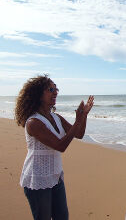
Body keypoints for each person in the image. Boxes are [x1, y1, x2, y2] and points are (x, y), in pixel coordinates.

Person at [15, 75, 94, 220]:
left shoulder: (56, 117)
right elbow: (60, 146)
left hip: (56, 177)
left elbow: (79, 134)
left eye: (56, 89)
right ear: (38, 94)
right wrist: (78, 120)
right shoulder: (33, 122)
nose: (55, 92)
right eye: (50, 89)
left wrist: (84, 116)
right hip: (37, 179)